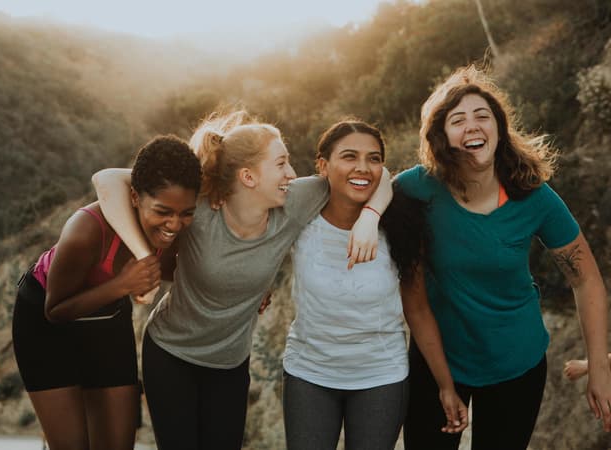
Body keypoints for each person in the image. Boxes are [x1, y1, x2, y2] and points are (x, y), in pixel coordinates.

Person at [91, 110, 392, 450]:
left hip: (230, 363)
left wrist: (370, 217)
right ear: (248, 176)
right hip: (171, 354)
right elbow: (107, 180)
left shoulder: (294, 202)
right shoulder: (200, 208)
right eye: (281, 164)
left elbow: (375, 175)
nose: (292, 174)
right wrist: (144, 256)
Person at [396, 65, 611, 450]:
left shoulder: (533, 195)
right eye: (458, 120)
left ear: (499, 127)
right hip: (438, 361)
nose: (473, 125)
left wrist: (599, 368)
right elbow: (371, 185)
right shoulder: (419, 187)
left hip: (517, 363)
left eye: (483, 116)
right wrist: (366, 219)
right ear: (442, 136)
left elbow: (586, 279)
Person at [282, 119, 468, 450]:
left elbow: (419, 310)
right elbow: (257, 239)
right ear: (323, 166)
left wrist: (445, 385)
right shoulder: (300, 214)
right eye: (349, 157)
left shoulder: (402, 226)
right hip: (309, 372)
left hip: (380, 377)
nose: (363, 168)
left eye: (374, 158)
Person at [11, 135, 201, 450]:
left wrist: (251, 289)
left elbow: (185, 271)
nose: (175, 224)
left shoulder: (174, 231)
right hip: (45, 324)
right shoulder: (86, 230)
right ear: (135, 197)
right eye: (164, 211)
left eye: (186, 213)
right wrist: (122, 285)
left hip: (106, 320)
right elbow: (54, 311)